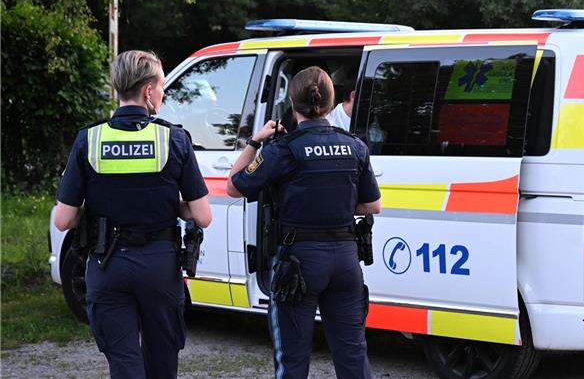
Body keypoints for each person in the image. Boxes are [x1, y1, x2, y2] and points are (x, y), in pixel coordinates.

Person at [53, 50, 212, 379]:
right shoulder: (175, 138)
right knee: (162, 363)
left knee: (124, 364)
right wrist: (172, 204)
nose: (163, 93)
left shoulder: (90, 139)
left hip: (107, 266)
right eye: (162, 86)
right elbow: (203, 215)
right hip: (159, 266)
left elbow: (63, 220)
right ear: (148, 91)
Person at [226, 66, 381, 379]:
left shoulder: (282, 150)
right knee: (352, 356)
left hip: (299, 264)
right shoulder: (354, 146)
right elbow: (373, 205)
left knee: (293, 362)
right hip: (345, 261)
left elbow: (233, 186)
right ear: (330, 102)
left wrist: (256, 141)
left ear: (292, 105)